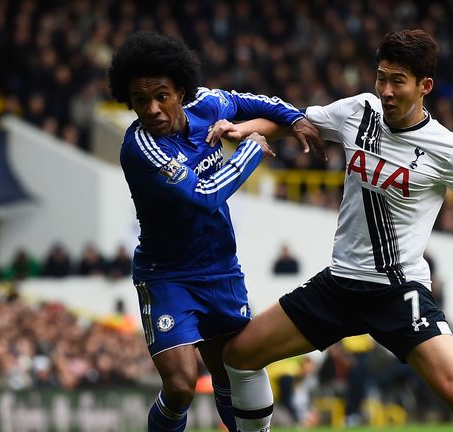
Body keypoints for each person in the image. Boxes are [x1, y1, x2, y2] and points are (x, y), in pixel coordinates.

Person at [223, 29, 453, 432]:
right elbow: (294, 122)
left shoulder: (449, 149)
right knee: (239, 355)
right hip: (340, 286)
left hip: (399, 292)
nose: (386, 91)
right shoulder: (357, 111)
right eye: (381, 78)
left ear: (424, 86)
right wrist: (244, 129)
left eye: (398, 81)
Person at [107, 32, 323, 432]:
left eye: (162, 96)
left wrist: (294, 118)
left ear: (181, 92)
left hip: (221, 269)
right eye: (141, 100)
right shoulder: (140, 148)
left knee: (230, 376)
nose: (152, 109)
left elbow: (252, 102)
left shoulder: (207, 104)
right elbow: (204, 195)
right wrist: (252, 148)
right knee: (181, 386)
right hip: (168, 275)